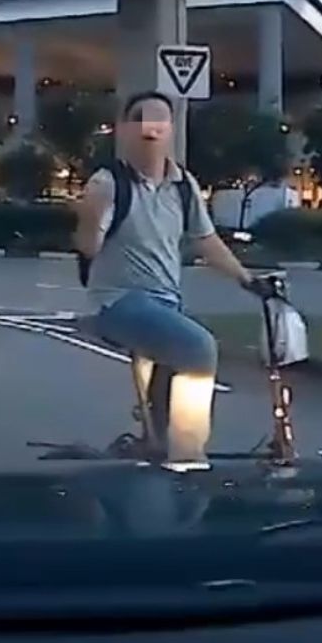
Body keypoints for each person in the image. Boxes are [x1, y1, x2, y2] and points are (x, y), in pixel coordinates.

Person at [72, 91, 258, 469]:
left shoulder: (184, 185)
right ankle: (188, 452)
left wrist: (247, 279)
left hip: (165, 300)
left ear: (171, 130)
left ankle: (154, 445)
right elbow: (88, 247)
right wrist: (89, 219)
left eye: (159, 120)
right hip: (118, 301)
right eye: (139, 119)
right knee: (198, 348)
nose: (150, 128)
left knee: (169, 377)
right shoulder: (108, 184)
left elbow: (205, 241)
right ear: (123, 131)